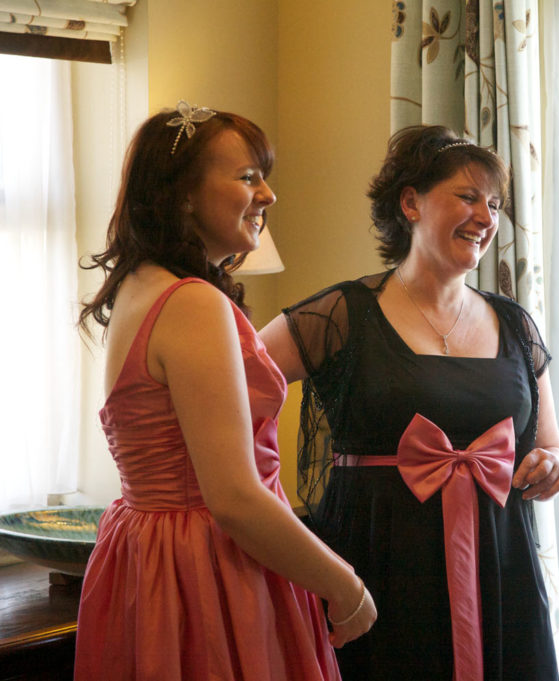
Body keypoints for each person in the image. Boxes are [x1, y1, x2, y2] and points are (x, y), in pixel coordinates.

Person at [75, 102, 375, 680]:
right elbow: (234, 498)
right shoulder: (191, 303)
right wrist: (346, 586)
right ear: (183, 194)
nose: (268, 195)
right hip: (208, 570)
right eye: (247, 177)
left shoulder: (141, 287)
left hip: (149, 555)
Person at [259, 124, 559, 680]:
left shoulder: (516, 324)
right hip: (381, 566)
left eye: (494, 204)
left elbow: (550, 445)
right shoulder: (342, 313)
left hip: (501, 571)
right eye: (468, 197)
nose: (485, 217)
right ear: (411, 203)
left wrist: (552, 465)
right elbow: (226, 387)